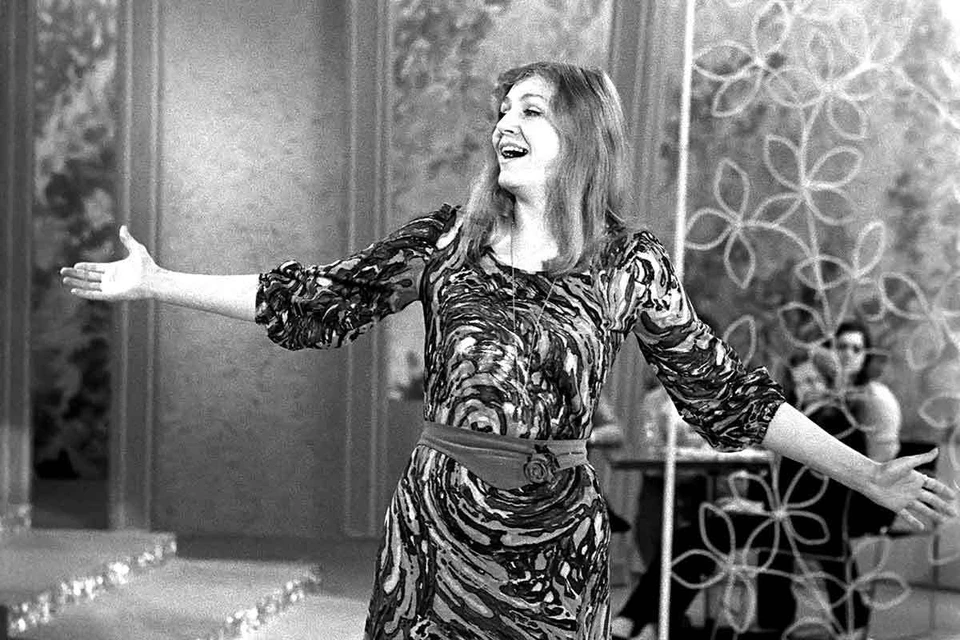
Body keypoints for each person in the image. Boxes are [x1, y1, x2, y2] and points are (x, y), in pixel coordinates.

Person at [59, 61, 956, 639]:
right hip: (436, 526)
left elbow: (727, 396)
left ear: (580, 136)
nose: (503, 124)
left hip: (555, 538)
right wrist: (158, 282)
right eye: (501, 111)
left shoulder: (629, 263)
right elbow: (315, 296)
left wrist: (862, 473)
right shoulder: (448, 242)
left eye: (530, 109)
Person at [610, 320, 911, 640]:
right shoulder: (816, 419)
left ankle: (643, 620)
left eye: (813, 381)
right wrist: (756, 503)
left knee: (702, 531)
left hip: (806, 523)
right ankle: (648, 620)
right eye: (801, 383)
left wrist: (760, 507)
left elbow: (815, 494)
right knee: (700, 530)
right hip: (796, 518)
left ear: (828, 383)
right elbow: (789, 483)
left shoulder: (832, 421)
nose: (807, 388)